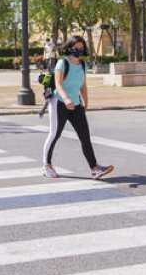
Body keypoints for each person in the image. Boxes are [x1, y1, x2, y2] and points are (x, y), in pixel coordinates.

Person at [41, 35, 113, 180]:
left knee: (85, 137)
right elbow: (58, 84)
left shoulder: (82, 65)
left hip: (76, 104)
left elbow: (83, 85)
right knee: (55, 134)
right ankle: (46, 166)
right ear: (69, 48)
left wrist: (86, 102)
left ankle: (95, 168)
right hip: (59, 103)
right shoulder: (62, 63)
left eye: (81, 48)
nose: (79, 50)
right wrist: (66, 99)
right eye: (76, 48)